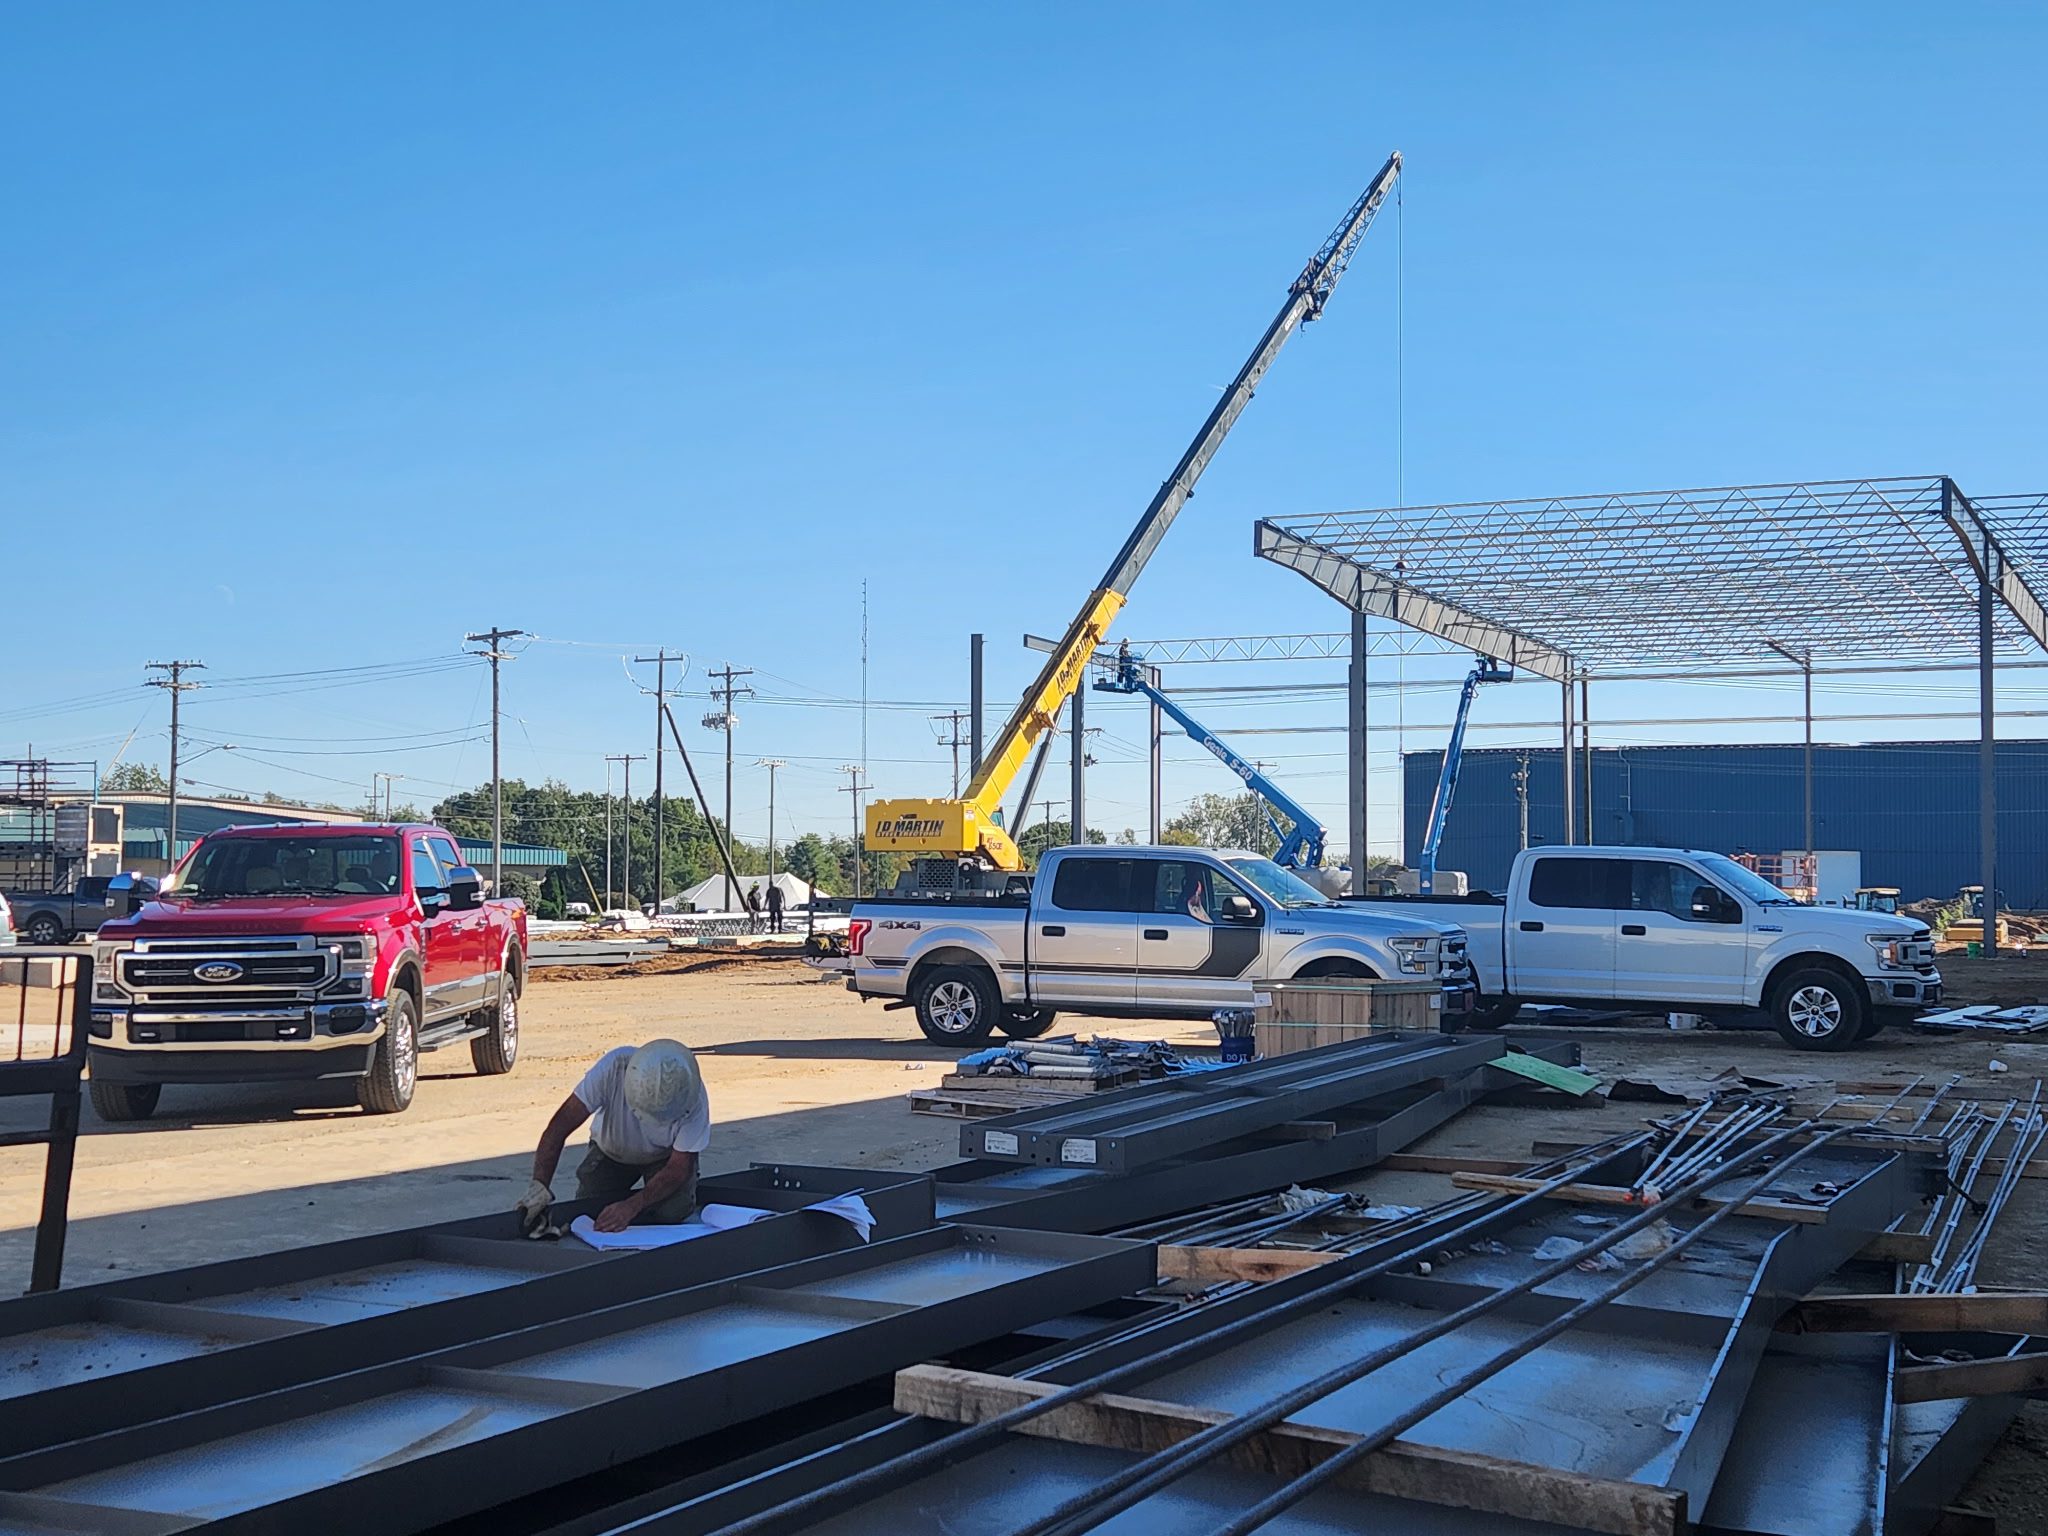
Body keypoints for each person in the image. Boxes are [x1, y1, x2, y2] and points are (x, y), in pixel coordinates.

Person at [518, 1038, 709, 1235]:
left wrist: (632, 1206)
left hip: (664, 1160)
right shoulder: (614, 1067)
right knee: (588, 1212)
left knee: (673, 1212)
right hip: (612, 1152)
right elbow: (558, 1128)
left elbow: (678, 1168)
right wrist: (539, 1185)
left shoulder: (692, 1095)